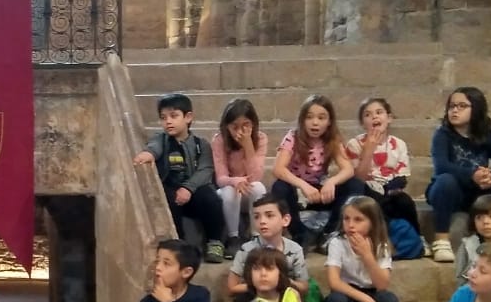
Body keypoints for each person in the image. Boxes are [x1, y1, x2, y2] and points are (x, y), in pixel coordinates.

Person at [427, 86, 491, 264]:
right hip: (452, 193)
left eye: (462, 106)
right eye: (452, 106)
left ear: (476, 108)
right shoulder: (442, 135)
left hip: (480, 193)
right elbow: (441, 166)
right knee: (445, 181)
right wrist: (472, 174)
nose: (455, 110)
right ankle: (441, 241)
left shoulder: (488, 134)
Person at [134, 93, 226, 262]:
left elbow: (205, 169)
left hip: (194, 192)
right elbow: (154, 147)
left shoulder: (201, 144)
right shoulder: (161, 140)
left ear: (188, 117)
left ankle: (215, 241)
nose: (168, 121)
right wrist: (148, 154)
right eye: (163, 117)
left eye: (173, 116)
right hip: (172, 193)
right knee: (166, 198)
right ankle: (179, 244)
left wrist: (188, 188)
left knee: (211, 198)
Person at [271, 95, 365, 244]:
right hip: (298, 192)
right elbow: (278, 169)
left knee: (355, 184)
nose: (315, 122)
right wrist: (303, 185)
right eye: (309, 117)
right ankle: (300, 234)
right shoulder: (293, 137)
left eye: (321, 118)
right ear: (302, 120)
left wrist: (331, 182)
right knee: (279, 187)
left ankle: (329, 232)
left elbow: (348, 169)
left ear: (329, 122)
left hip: (319, 193)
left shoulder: (332, 139)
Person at [345, 96, 425, 258]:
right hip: (366, 190)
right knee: (372, 201)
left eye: (379, 112)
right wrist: (369, 149)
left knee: (404, 201)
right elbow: (358, 178)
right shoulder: (354, 144)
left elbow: (402, 177)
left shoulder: (399, 144)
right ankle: (381, 241)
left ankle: (417, 239)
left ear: (389, 118)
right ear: (363, 123)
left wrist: (390, 189)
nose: (374, 117)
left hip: (389, 190)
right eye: (368, 115)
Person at [212, 98, 268, 250]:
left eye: (246, 125)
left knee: (259, 187)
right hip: (228, 191)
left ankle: (256, 236)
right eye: (234, 126)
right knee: (230, 191)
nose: (240, 131)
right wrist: (235, 181)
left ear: (253, 124)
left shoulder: (261, 138)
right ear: (227, 126)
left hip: (248, 191)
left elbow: (256, 176)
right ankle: (233, 237)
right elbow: (220, 178)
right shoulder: (219, 140)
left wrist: (248, 145)